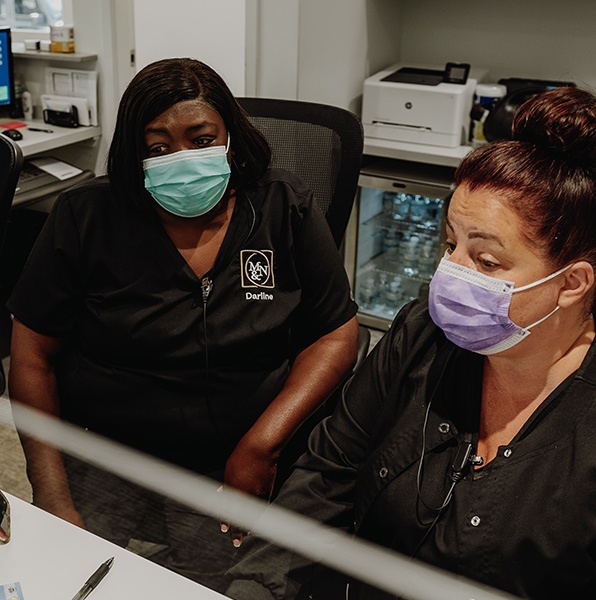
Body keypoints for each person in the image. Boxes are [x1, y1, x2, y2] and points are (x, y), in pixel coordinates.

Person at [225, 86, 596, 600]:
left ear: (572, 283)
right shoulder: (423, 334)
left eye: (486, 261)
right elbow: (330, 470)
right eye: (451, 244)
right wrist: (253, 588)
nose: (450, 272)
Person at [7, 58, 359, 592]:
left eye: (201, 139)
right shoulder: (86, 217)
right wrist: (51, 494)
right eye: (159, 148)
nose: (183, 159)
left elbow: (335, 333)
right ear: (136, 155)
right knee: (56, 580)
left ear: (231, 140)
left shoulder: (283, 208)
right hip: (107, 456)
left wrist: (260, 446)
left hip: (231, 464)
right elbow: (31, 358)